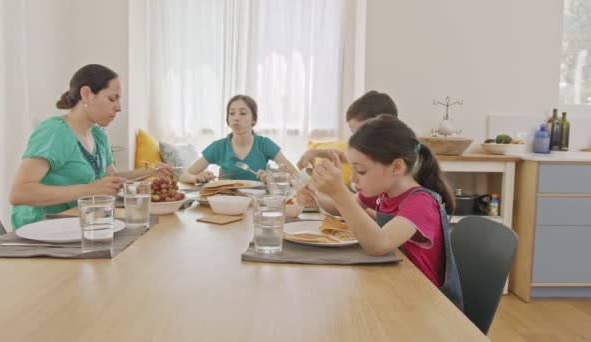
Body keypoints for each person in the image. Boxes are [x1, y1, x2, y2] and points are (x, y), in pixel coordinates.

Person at [297, 115, 463, 309]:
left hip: (425, 306)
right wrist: (316, 196)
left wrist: (338, 191)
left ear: (396, 167)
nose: (353, 180)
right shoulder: (384, 191)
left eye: (361, 171)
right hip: (393, 290)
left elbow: (379, 244)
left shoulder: (421, 203)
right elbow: (341, 208)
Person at [9, 64, 173, 229]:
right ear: (86, 94)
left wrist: (149, 172)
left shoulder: (98, 135)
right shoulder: (55, 132)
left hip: (79, 224)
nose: (119, 107)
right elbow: (19, 193)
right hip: (41, 229)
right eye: (112, 98)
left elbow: (112, 179)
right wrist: (90, 190)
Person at [180, 95, 298, 184]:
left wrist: (273, 178)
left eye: (243, 113)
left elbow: (295, 175)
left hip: (257, 203)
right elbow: (184, 176)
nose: (236, 118)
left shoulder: (264, 144)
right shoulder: (218, 147)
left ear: (254, 119)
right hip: (225, 204)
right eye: (231, 113)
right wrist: (197, 178)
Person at [296, 90, 398, 169]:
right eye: (355, 135)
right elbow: (341, 156)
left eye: (362, 135)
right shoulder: (367, 153)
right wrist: (314, 152)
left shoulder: (391, 165)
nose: (357, 142)